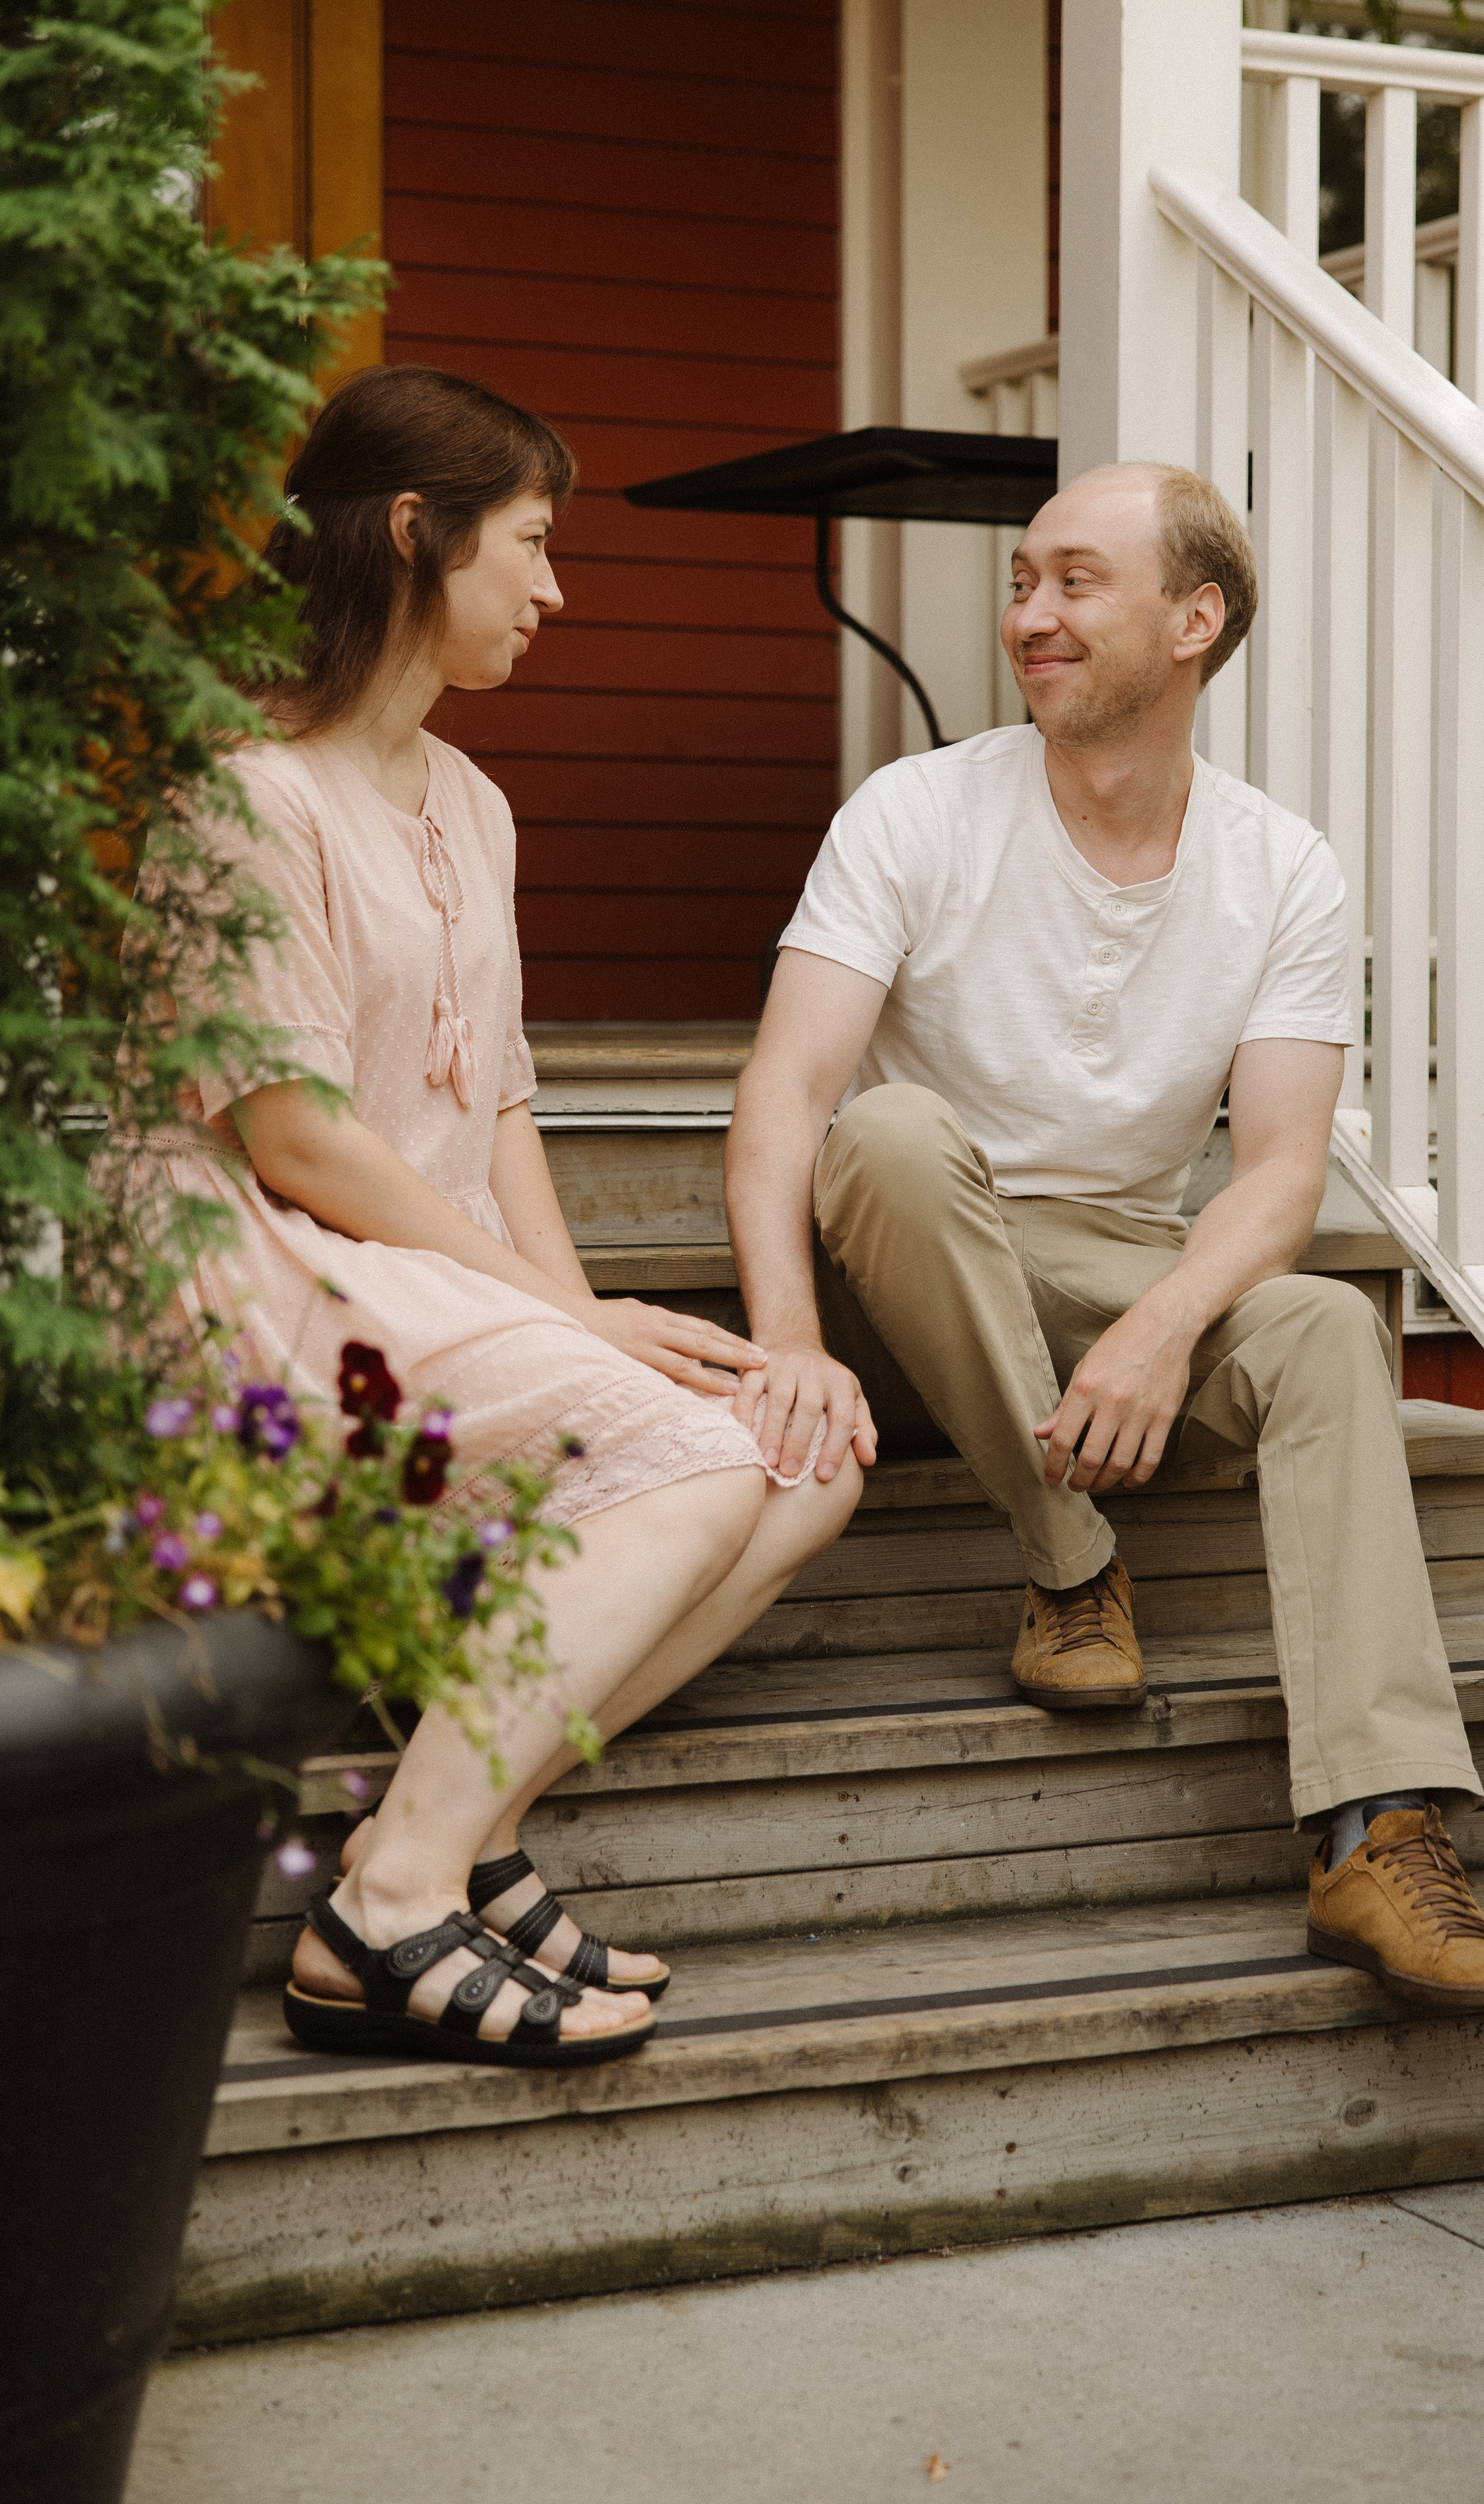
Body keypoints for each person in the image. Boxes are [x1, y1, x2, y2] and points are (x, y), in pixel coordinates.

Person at [126, 364, 869, 2069]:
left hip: (433, 1275)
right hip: (279, 1278)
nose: (554, 589)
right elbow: (299, 1138)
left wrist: (577, 1307)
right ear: (414, 534)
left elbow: (503, 1103)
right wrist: (571, 1333)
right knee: (686, 1459)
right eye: (529, 545)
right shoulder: (245, 796)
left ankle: (456, 1831)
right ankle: (383, 1903)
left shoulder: (476, 802)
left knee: (802, 1454)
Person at [723, 459, 1484, 2014]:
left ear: (1193, 617)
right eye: (1022, 580)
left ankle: (1377, 1832)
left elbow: (1280, 1172)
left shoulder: (1278, 866)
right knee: (884, 1132)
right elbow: (785, 1093)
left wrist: (1164, 1323)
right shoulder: (913, 811)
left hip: (1105, 1270)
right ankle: (1067, 1562)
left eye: (1073, 581)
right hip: (908, 1275)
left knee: (1318, 1328)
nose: (1029, 612)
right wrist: (786, 1341)